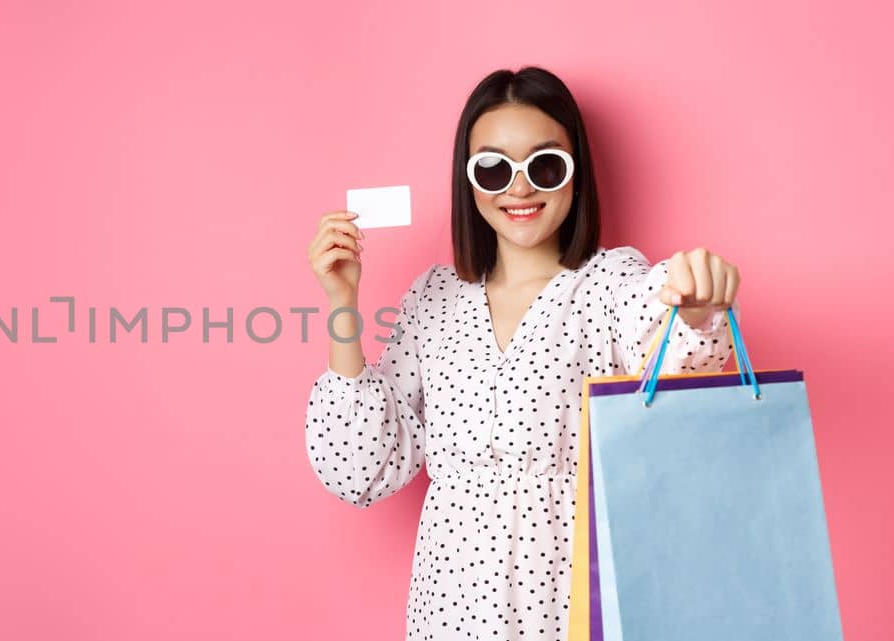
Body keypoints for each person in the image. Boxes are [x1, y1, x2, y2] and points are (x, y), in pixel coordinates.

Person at [302, 66, 741, 640]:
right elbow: (361, 468)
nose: (519, 187)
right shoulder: (434, 299)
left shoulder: (609, 283)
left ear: (576, 175)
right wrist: (343, 300)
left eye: (545, 164)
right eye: (493, 167)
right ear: (470, 182)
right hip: (450, 605)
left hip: (569, 597)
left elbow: (673, 340)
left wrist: (696, 303)